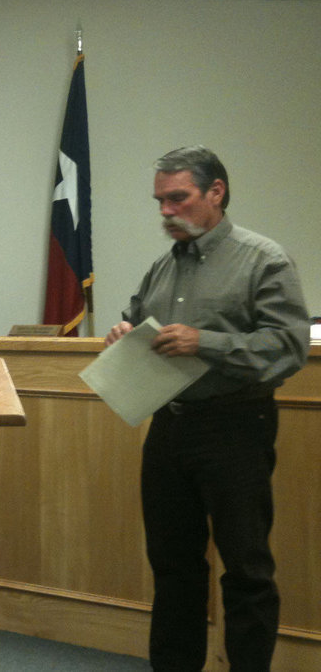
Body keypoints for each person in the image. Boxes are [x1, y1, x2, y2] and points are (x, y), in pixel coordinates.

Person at [105, 146, 310, 672]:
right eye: (160, 202)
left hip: (236, 426)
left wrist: (208, 343)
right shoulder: (161, 268)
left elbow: (288, 349)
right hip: (169, 429)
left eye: (178, 199)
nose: (166, 213)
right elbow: (134, 319)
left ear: (215, 192)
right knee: (173, 567)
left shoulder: (263, 259)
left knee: (246, 568)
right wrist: (123, 334)